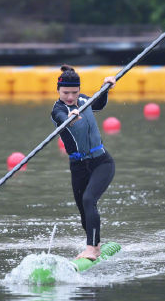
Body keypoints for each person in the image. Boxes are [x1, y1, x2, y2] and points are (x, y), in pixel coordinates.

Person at [51, 65, 116, 260]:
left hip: (101, 162)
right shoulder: (58, 110)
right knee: (83, 211)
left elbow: (100, 104)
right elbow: (63, 118)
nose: (70, 97)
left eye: (74, 92)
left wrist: (106, 87)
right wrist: (70, 117)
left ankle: (92, 249)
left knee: (89, 200)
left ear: (79, 90)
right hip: (78, 167)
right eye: (65, 93)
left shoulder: (85, 101)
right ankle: (95, 244)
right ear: (58, 91)